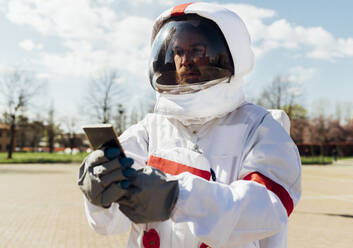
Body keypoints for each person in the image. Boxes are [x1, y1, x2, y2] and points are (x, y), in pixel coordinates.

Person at [78, 2, 301, 248]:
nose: (186, 61)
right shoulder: (150, 131)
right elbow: (109, 224)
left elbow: (266, 209)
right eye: (178, 51)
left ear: (232, 54)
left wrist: (178, 197)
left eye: (197, 50)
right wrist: (101, 194)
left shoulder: (262, 128)